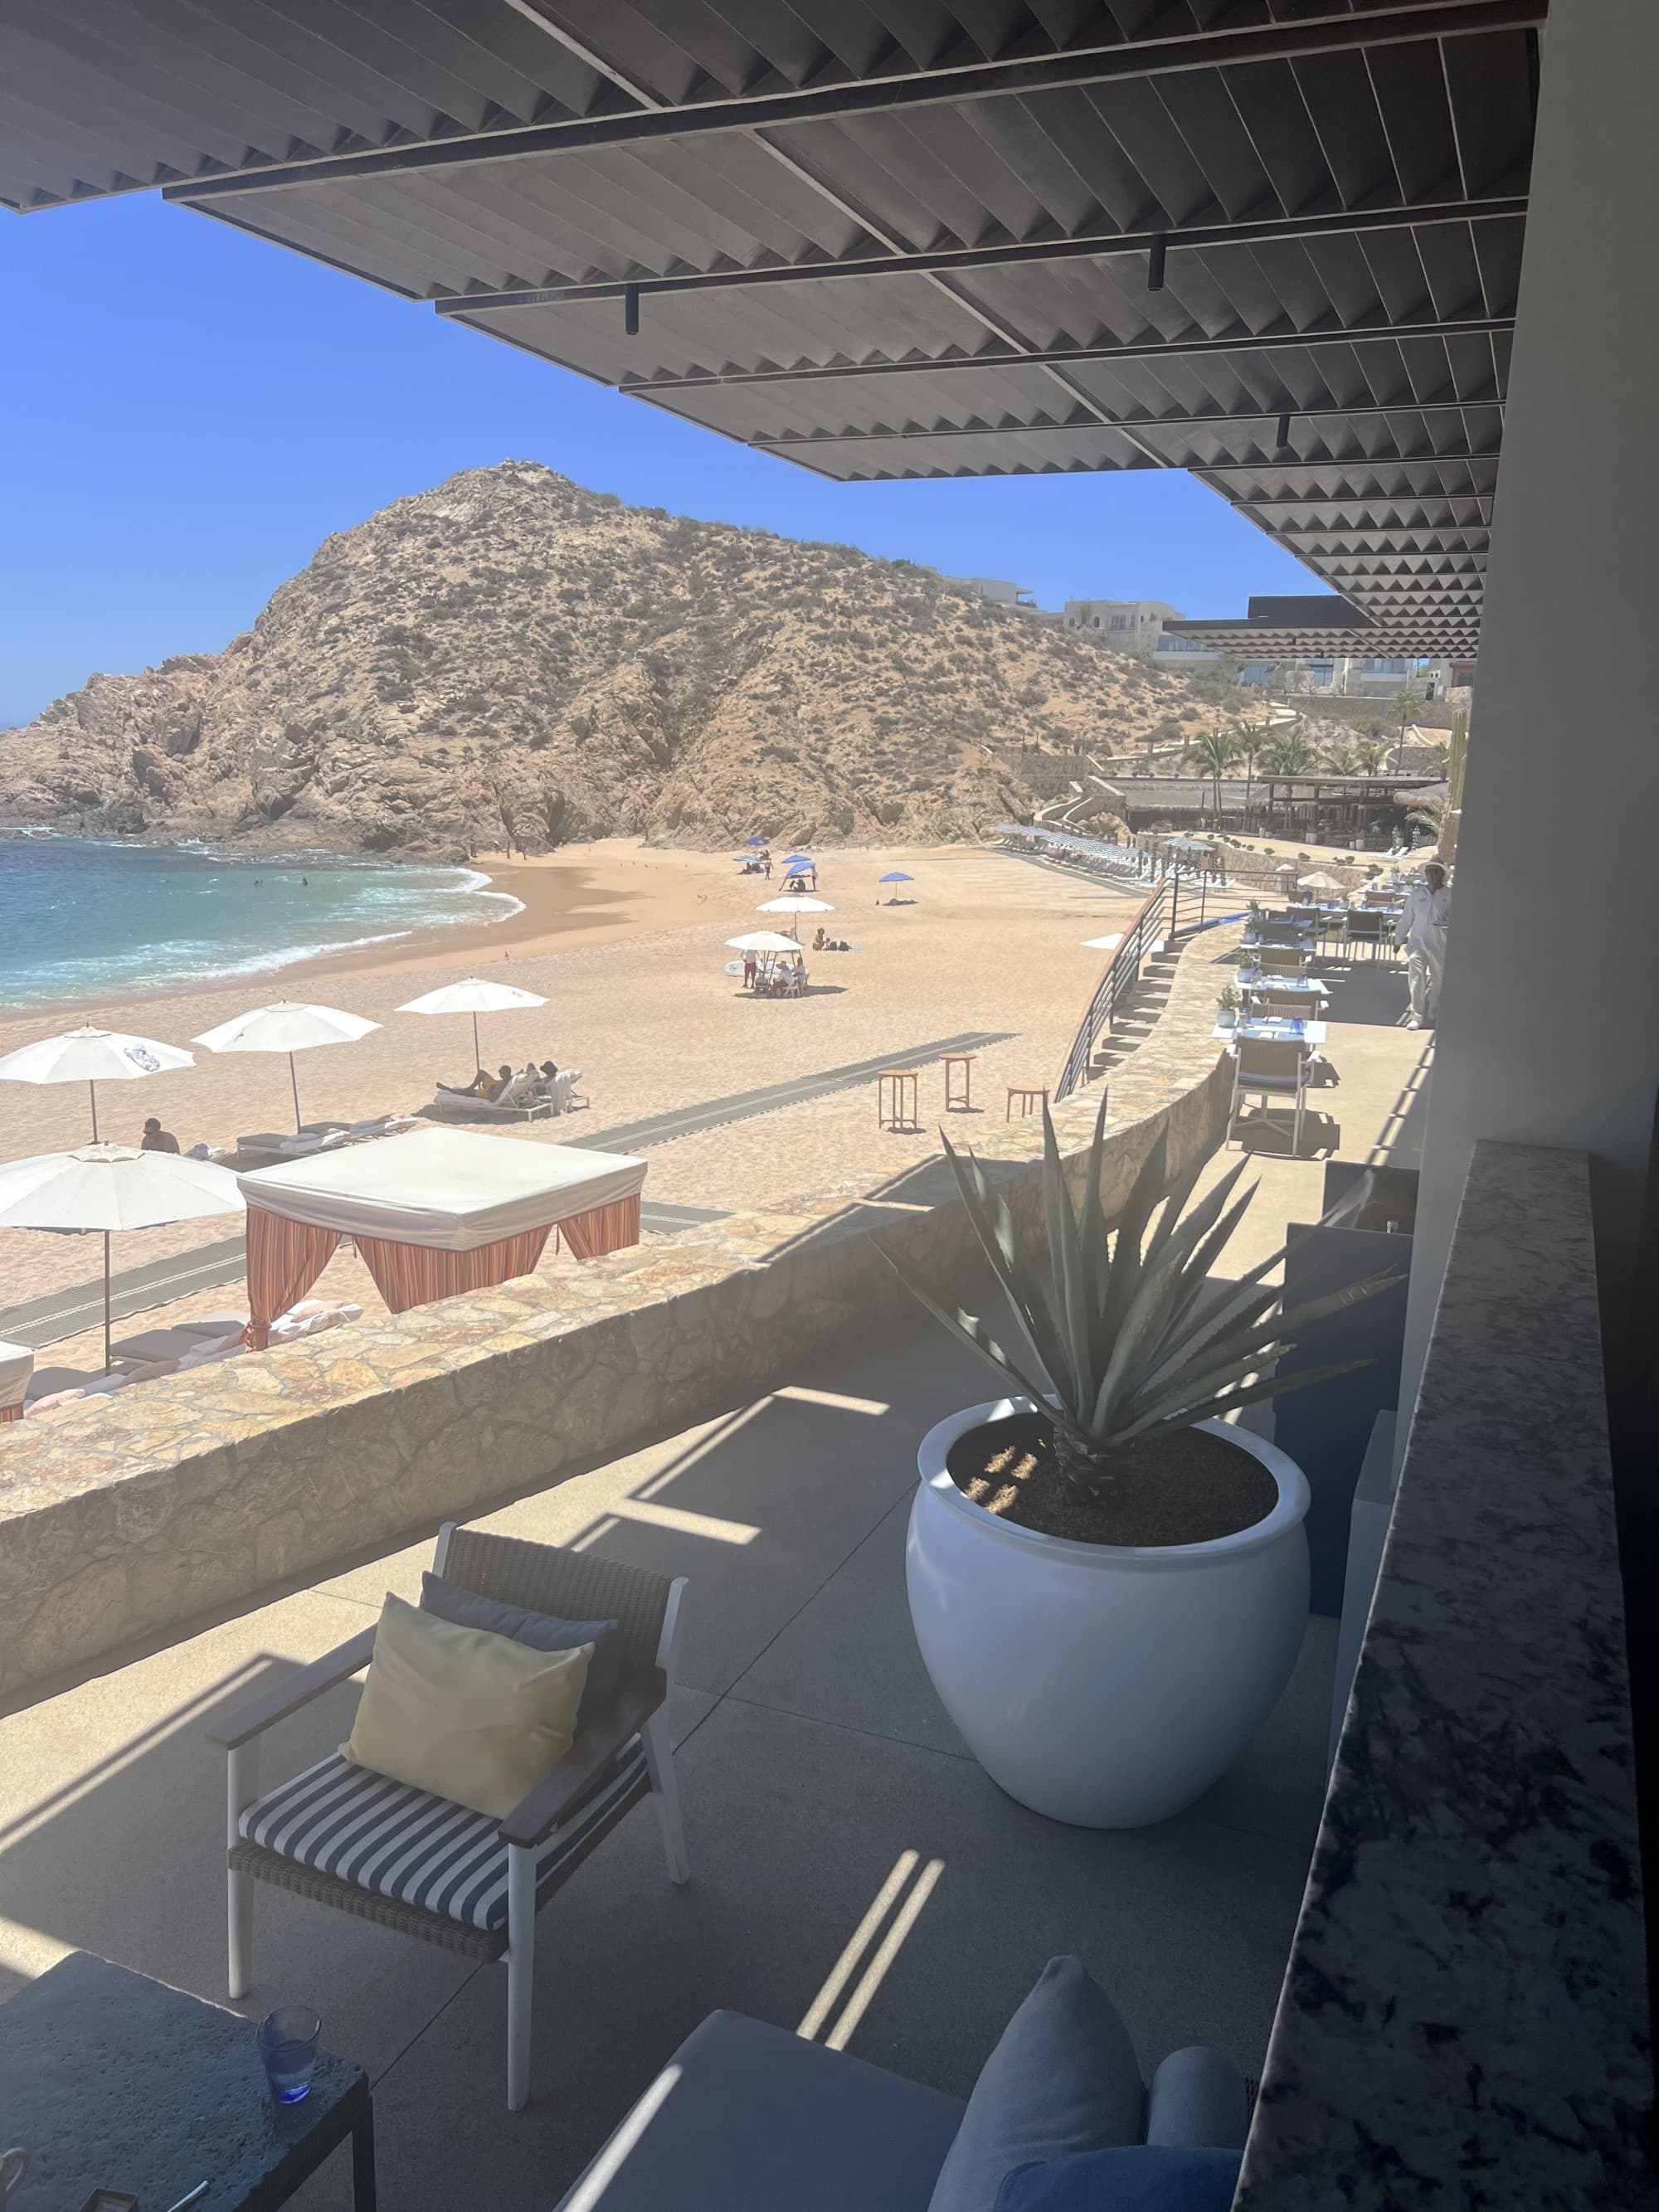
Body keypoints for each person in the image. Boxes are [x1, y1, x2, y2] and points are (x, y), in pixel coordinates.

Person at [1395, 862, 1451, 1029]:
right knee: (1416, 978)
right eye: (1429, 872)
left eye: (1435, 871)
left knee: (1439, 981)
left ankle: (1434, 1008)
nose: (1432, 875)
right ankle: (1416, 1016)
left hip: (1440, 944)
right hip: (1417, 943)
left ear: (1442, 874)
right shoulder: (1416, 895)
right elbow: (1406, 919)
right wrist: (1398, 940)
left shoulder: (1450, 895)